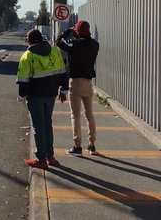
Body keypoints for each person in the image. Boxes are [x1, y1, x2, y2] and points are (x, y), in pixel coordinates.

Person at [17, 28, 68, 169]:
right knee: (47, 124)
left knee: (38, 127)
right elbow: (63, 72)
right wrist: (63, 90)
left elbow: (23, 81)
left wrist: (23, 95)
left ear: (30, 40)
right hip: (51, 94)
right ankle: (50, 156)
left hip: (35, 96)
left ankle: (41, 159)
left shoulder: (28, 56)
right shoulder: (55, 51)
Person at [56, 20, 100, 156]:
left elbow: (59, 42)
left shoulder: (74, 45)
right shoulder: (95, 45)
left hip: (75, 82)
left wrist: (68, 32)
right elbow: (85, 46)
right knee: (89, 113)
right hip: (88, 82)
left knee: (75, 115)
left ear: (77, 31)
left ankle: (77, 146)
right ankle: (92, 145)